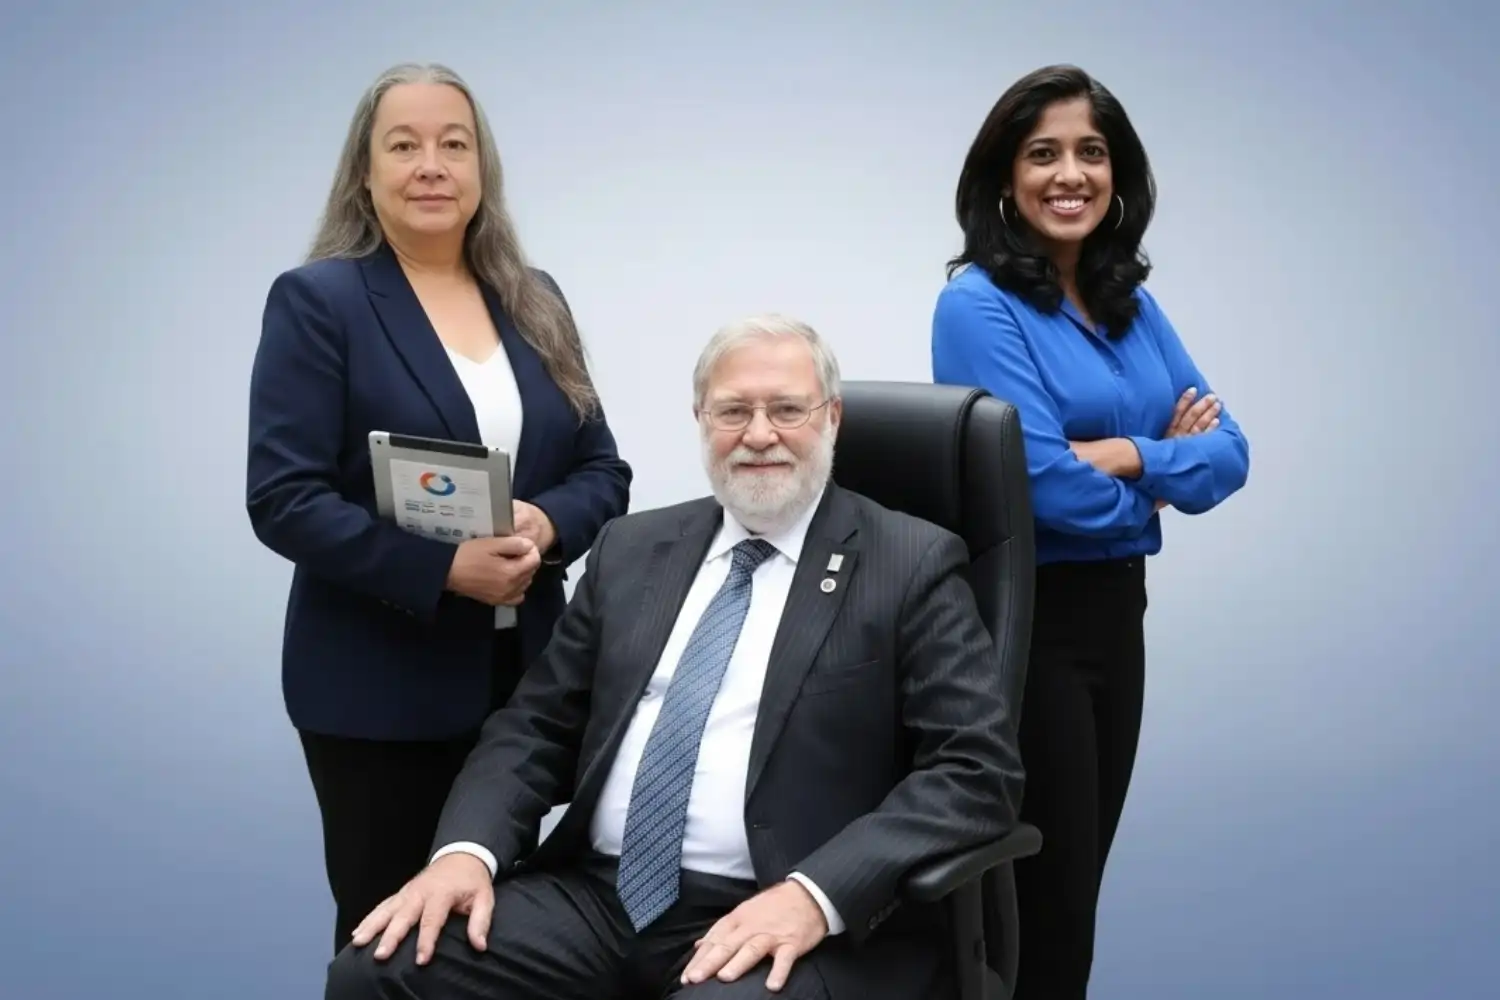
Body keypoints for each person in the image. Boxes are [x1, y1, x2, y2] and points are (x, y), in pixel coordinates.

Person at [322, 315, 1025, 1000]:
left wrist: (816, 896)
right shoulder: (632, 550)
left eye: (787, 410)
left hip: (782, 906)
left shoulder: (910, 561)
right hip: (596, 899)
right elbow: (532, 726)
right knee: (375, 971)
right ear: (700, 420)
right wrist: (464, 855)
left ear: (832, 418)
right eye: (732, 411)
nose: (758, 435)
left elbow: (975, 769)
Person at [246, 62, 631, 954]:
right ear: (365, 172)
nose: (432, 165)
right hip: (377, 690)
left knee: (505, 938)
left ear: (481, 169)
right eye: (405, 145)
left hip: (527, 683)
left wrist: (546, 522)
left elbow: (603, 471)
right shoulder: (320, 302)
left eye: (454, 145)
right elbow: (283, 497)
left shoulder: (536, 299)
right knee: (392, 940)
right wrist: (442, 568)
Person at [929, 65, 1250, 998]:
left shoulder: (1133, 306)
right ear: (1004, 177)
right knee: (1045, 909)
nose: (1071, 174)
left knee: (1081, 900)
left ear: (1119, 177)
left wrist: (1129, 458)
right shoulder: (977, 307)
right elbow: (1037, 490)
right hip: (1031, 624)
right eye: (1043, 154)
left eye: (1091, 153)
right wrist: (1156, 477)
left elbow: (1231, 452)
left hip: (1117, 621)